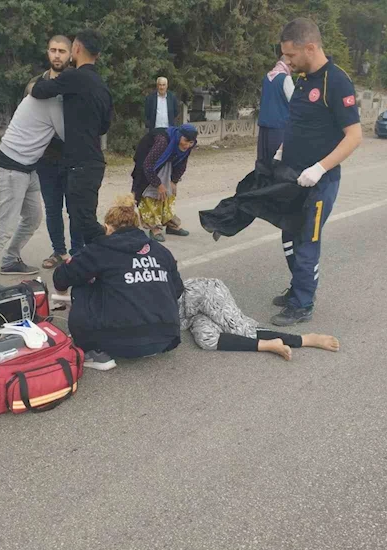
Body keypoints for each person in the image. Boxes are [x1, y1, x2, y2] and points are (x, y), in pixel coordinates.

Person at [271, 18, 362, 327]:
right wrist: (283, 150)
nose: (286, 61)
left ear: (309, 47)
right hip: (293, 177)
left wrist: (320, 168)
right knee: (288, 233)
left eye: (291, 55)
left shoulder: (336, 82)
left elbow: (354, 137)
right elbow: (299, 123)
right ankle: (298, 287)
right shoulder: (304, 79)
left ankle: (302, 303)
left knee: (307, 240)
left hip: (319, 182)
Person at [53, 195, 184, 371]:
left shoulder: (100, 249)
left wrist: (62, 293)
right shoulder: (161, 251)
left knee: (82, 284)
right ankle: (148, 336)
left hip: (118, 341)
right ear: (136, 226)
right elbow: (177, 289)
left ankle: (93, 351)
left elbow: (62, 277)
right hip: (166, 338)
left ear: (107, 227)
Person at [0, 70, 65, 292]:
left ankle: (10, 260)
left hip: (27, 167)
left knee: (33, 217)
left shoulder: (43, 96)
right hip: (12, 167)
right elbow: (66, 134)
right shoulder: (51, 102)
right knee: (5, 224)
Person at [31, 29, 113, 245]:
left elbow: (39, 90)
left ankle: (120, 243)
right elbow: (104, 126)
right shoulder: (102, 86)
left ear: (76, 48)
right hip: (94, 162)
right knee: (82, 218)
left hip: (80, 164)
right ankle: (83, 260)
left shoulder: (73, 77)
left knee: (84, 221)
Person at [25, 35, 84, 270]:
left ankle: (78, 253)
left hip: (72, 158)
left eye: (62, 50)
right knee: (52, 208)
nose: (57, 55)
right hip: (46, 159)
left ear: (71, 54)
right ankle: (59, 251)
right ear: (47, 52)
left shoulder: (78, 81)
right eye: (53, 50)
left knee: (75, 208)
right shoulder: (36, 83)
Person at [180, 278, 340, 359]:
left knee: (239, 329)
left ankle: (305, 339)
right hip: (190, 315)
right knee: (207, 340)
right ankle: (269, 345)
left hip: (202, 292)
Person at [131, 124, 198, 241]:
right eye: (186, 141)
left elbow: (182, 164)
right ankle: (154, 228)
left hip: (165, 162)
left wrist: (174, 181)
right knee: (150, 194)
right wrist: (158, 184)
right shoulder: (163, 141)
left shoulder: (186, 146)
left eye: (191, 142)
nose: (187, 145)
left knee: (169, 193)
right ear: (179, 136)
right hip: (146, 162)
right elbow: (147, 165)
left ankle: (170, 224)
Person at [257, 59, 294, 164]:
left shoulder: (267, 77)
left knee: (263, 161)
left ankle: (263, 180)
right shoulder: (285, 78)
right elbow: (294, 101)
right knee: (278, 161)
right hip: (280, 125)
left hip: (264, 125)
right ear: (288, 64)